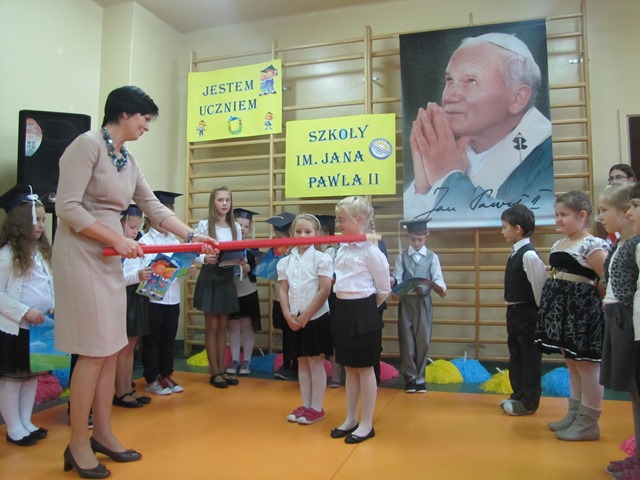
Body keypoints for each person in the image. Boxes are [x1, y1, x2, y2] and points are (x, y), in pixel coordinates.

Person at [53, 85, 216, 479]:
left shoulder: (127, 158)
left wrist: (190, 236)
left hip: (111, 255)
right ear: (124, 113)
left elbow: (153, 207)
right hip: (82, 254)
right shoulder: (86, 145)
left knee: (111, 347)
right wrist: (117, 239)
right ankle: (78, 442)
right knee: (93, 351)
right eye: (145, 118)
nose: (147, 126)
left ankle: (103, 433)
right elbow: (67, 206)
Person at [404, 32, 554, 225]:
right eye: (449, 80)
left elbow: (523, 226)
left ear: (517, 98)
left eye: (471, 81)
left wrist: (447, 179)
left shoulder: (547, 157)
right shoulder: (448, 151)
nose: (449, 96)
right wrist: (422, 187)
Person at [534, 191, 608, 442]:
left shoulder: (592, 245)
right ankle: (574, 413)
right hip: (562, 309)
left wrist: (599, 308)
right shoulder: (560, 243)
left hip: (582, 311)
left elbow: (606, 279)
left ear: (582, 215)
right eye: (556, 214)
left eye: (563, 215)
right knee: (572, 363)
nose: (558, 219)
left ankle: (588, 422)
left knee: (587, 365)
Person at [330, 196, 391, 444]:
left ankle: (367, 423)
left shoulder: (372, 252)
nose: (338, 224)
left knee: (365, 369)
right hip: (343, 309)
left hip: (364, 311)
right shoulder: (342, 248)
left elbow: (384, 289)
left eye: (341, 219)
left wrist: (365, 310)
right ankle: (350, 418)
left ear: (359, 220)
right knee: (349, 367)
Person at [0, 185, 52, 446]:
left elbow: (48, 284)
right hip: (16, 327)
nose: (42, 225)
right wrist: (25, 312)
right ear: (20, 222)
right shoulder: (7, 255)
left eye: (43, 220)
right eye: (36, 220)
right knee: (13, 379)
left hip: (39, 328)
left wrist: (53, 304)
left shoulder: (40, 253)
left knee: (31, 376)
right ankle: (14, 427)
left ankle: (26, 421)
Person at [595, 185, 640, 476]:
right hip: (616, 318)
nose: (600, 217)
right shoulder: (618, 244)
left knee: (637, 386)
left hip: (629, 320)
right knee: (633, 391)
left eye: (605, 211)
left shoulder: (635, 245)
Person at [278, 214, 333, 424]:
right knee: (301, 361)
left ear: (316, 234)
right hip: (294, 318)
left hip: (316, 318)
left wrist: (307, 316)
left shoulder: (322, 258)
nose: (302, 235)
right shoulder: (285, 261)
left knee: (315, 361)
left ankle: (317, 407)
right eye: (298, 231)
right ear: (292, 234)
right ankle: (306, 404)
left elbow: (325, 289)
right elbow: (283, 290)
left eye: (308, 231)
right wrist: (287, 314)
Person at [141, 191, 195, 395]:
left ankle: (166, 374)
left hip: (172, 297)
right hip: (153, 298)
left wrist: (187, 269)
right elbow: (146, 268)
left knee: (168, 338)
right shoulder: (146, 240)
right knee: (152, 339)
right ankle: (152, 378)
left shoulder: (174, 239)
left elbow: (178, 266)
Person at [498, 205, 547, 415]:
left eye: (505, 227)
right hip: (514, 312)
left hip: (527, 313)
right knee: (516, 354)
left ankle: (529, 402)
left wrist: (535, 315)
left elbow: (540, 288)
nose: (502, 231)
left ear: (517, 229)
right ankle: (517, 395)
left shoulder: (529, 256)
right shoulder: (515, 252)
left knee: (529, 357)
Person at [193, 186, 242, 389]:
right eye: (220, 200)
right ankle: (214, 371)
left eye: (227, 200)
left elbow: (239, 251)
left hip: (226, 276)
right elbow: (194, 251)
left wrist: (240, 260)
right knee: (212, 326)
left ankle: (222, 369)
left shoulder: (236, 227)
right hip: (210, 276)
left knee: (223, 326)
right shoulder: (204, 225)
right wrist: (205, 258)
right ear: (213, 202)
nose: (224, 203)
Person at [391, 219, 447, 394]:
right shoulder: (402, 257)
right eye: (413, 239)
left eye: (420, 239)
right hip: (406, 302)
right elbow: (398, 278)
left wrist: (441, 288)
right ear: (408, 237)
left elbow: (438, 278)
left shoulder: (432, 257)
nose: (416, 243)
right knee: (406, 340)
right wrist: (394, 284)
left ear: (426, 237)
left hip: (423, 302)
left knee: (423, 340)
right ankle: (410, 378)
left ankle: (420, 378)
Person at [115, 204, 152, 407]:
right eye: (131, 227)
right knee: (124, 348)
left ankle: (127, 387)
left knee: (131, 346)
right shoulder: (116, 248)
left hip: (138, 296)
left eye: (137, 227)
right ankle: (120, 391)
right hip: (124, 296)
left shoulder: (138, 245)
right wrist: (137, 276)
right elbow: (115, 279)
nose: (135, 231)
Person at [226, 208, 261, 376]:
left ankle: (247, 360)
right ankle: (235, 359)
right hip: (232, 292)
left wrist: (250, 267)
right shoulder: (227, 244)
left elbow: (258, 270)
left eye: (246, 226)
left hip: (248, 292)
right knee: (234, 327)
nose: (243, 229)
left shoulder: (252, 247)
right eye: (240, 225)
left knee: (247, 326)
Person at [266, 212, 298, 381]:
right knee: (286, 333)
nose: (277, 239)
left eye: (281, 236)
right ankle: (286, 363)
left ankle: (297, 365)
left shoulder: (297, 250)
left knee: (296, 333)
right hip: (281, 297)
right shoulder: (276, 251)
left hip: (296, 299)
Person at [316, 214, 342, 388]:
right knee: (320, 337)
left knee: (333, 337)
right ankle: (318, 374)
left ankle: (336, 373)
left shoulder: (334, 251)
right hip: (314, 297)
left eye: (320, 232)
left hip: (331, 297)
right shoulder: (311, 252)